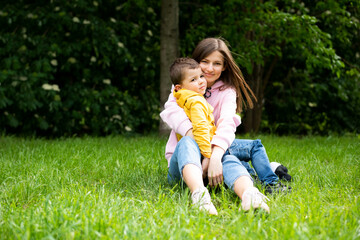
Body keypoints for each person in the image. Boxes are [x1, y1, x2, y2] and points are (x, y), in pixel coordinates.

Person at [161, 38, 290, 214]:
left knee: (228, 158)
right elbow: (172, 112)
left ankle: (250, 196)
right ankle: (200, 196)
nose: (209, 68)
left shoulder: (227, 91)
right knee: (186, 142)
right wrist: (201, 146)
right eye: (204, 62)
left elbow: (227, 124)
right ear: (196, 61)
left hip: (215, 165)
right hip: (185, 168)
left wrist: (213, 157)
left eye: (217, 63)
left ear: (224, 67)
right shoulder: (182, 85)